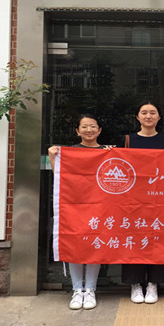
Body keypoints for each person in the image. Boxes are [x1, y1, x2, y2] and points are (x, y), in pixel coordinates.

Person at [48, 114, 107, 310]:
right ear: (77, 131)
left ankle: (90, 289)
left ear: (99, 130)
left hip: (100, 206)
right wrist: (52, 157)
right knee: (75, 245)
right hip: (75, 206)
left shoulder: (107, 152)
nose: (89, 130)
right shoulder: (70, 152)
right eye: (84, 126)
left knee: (94, 246)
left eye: (93, 126)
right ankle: (76, 289)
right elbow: (60, 177)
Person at [120, 101, 164, 304]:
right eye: (144, 112)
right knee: (134, 238)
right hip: (133, 199)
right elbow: (117, 164)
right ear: (137, 117)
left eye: (153, 112)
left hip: (161, 199)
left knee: (159, 239)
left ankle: (154, 283)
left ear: (159, 117)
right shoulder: (127, 140)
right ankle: (135, 284)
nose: (148, 116)